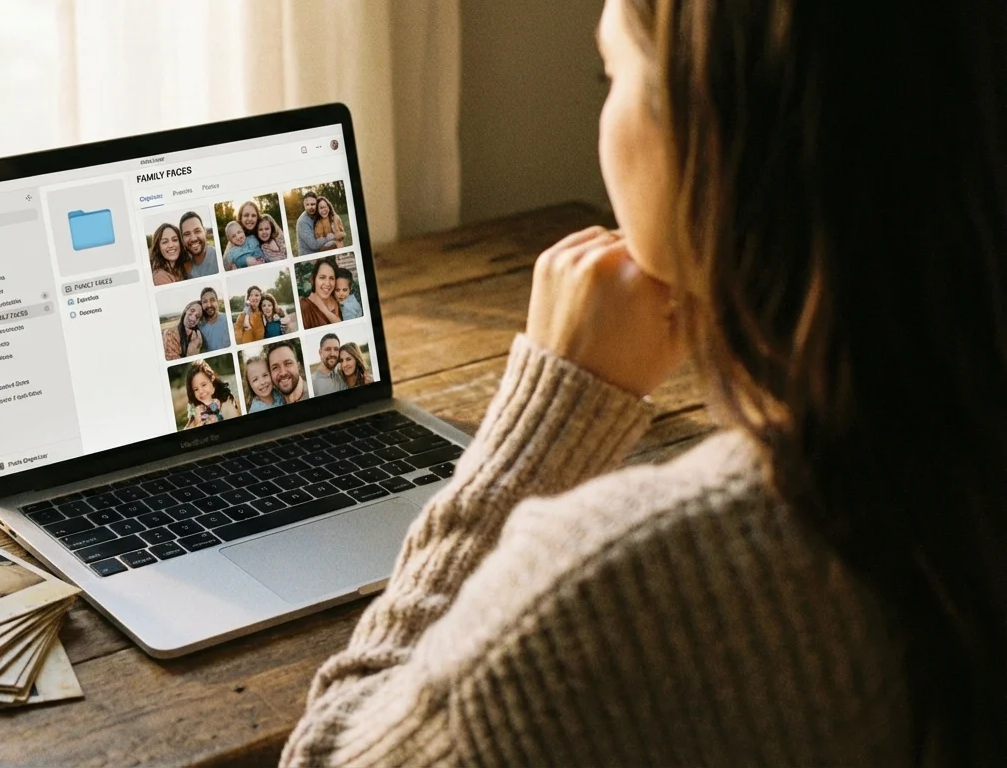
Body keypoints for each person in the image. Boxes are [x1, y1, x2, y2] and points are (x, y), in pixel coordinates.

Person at [283, 0, 1007, 765]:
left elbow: (328, 754)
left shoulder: (617, 591)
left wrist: (542, 422)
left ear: (714, 131)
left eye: (611, 70)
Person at [182, 359, 239, 429]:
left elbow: (236, 426)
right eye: (196, 389)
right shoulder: (194, 406)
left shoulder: (223, 401)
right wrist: (198, 423)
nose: (201, 391)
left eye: (204, 385)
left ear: (212, 379)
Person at [299, 257, 342, 328]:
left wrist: (324, 310)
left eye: (331, 278)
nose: (327, 283)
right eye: (322, 277)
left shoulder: (337, 301)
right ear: (313, 279)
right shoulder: (303, 307)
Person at [178, 211, 219, 277]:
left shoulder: (218, 257)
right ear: (182, 239)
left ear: (205, 232)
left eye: (197, 231)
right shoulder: (182, 266)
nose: (193, 238)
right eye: (187, 234)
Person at [295, 191, 337, 255]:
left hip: (319, 250)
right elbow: (313, 245)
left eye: (313, 204)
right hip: (309, 255)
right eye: (307, 205)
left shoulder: (318, 214)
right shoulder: (302, 222)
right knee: (332, 243)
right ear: (304, 205)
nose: (310, 207)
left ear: (317, 204)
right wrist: (329, 237)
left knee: (335, 243)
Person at [195, 286, 230, 352]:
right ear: (201, 305)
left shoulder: (227, 319)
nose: (209, 305)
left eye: (212, 300)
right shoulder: (198, 326)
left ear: (217, 302)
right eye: (205, 301)